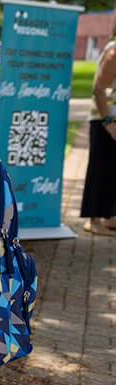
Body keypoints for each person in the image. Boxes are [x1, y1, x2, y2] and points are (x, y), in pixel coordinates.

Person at [80, 26, 116, 235]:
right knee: (100, 169)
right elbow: (98, 88)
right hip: (105, 119)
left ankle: (109, 216)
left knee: (112, 170)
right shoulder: (114, 52)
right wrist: (108, 121)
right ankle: (93, 220)